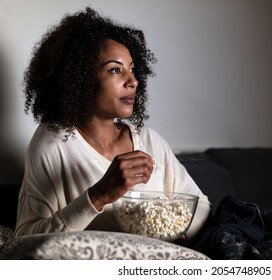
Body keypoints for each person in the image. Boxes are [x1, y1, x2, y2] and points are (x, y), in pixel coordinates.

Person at [15, 7, 211, 243]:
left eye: (132, 69)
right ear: (81, 79)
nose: (133, 81)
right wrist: (98, 195)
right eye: (115, 70)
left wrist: (179, 234)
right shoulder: (53, 143)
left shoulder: (149, 140)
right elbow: (25, 240)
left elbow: (200, 205)